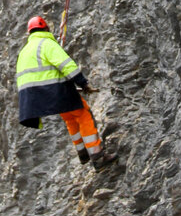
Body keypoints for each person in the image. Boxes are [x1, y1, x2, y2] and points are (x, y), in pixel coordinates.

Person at [17, 15, 117, 170]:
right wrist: (83, 83)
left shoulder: (25, 51)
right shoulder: (46, 44)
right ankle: (97, 156)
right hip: (55, 91)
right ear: (45, 28)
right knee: (84, 115)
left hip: (36, 97)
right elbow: (66, 65)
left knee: (70, 117)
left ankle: (82, 152)